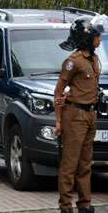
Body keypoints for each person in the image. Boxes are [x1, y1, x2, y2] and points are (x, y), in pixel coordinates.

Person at [54, 15, 106, 213]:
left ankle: (85, 204)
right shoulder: (73, 61)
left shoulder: (94, 58)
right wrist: (59, 120)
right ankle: (65, 206)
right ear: (86, 38)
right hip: (74, 115)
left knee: (86, 163)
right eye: (96, 36)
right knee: (70, 164)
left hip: (91, 115)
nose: (100, 39)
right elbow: (59, 92)